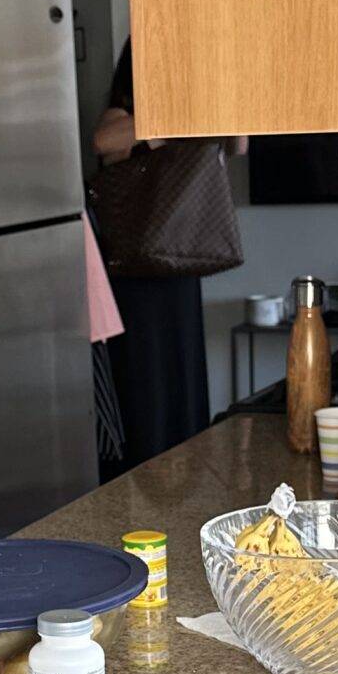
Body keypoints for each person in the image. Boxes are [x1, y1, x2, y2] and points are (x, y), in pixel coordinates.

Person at [91, 40, 243, 469]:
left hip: (180, 263)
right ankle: (145, 473)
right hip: (136, 272)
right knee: (146, 379)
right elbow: (101, 141)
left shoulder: (191, 112)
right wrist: (173, 121)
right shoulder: (122, 114)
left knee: (181, 371)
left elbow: (239, 145)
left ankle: (183, 468)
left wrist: (218, 92)